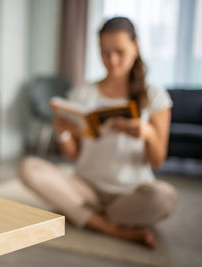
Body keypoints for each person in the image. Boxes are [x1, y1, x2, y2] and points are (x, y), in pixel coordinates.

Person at [19, 17, 177, 248]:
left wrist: (148, 134)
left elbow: (157, 161)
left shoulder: (155, 96)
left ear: (136, 47)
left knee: (165, 197)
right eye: (105, 53)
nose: (112, 61)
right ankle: (113, 228)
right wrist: (63, 133)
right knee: (28, 168)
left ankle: (80, 213)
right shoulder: (83, 93)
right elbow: (74, 156)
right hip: (86, 188)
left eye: (119, 52)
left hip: (129, 193)